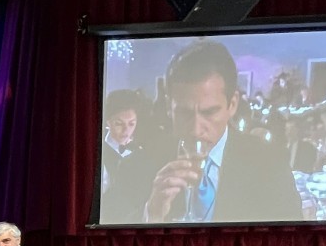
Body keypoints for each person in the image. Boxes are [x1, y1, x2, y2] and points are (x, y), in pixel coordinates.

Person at [127, 38, 303, 225]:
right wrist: (151, 214)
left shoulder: (270, 165)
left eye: (209, 112)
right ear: (169, 107)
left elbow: (289, 245)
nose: (195, 130)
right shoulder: (139, 164)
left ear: (232, 104)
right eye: (184, 112)